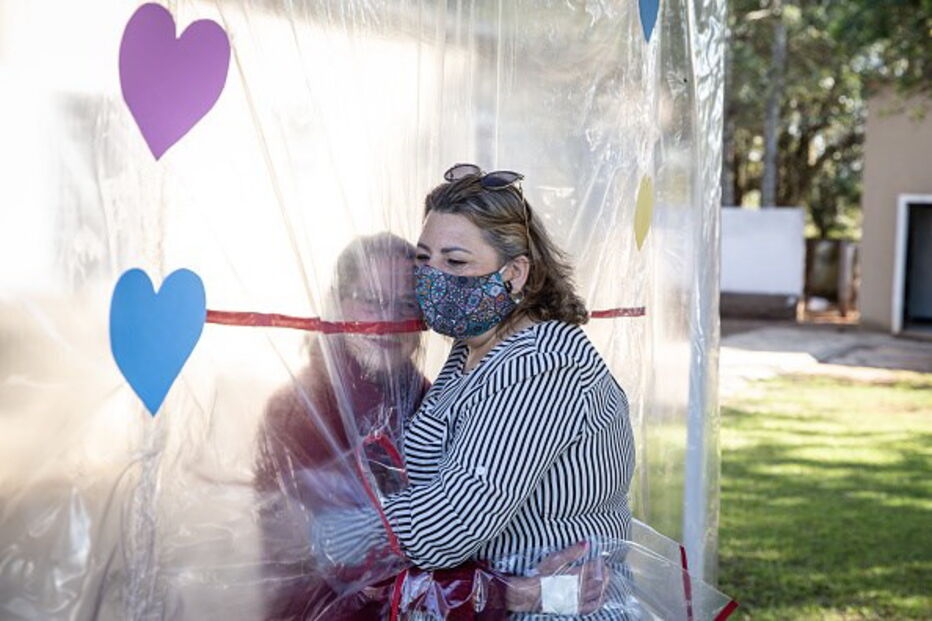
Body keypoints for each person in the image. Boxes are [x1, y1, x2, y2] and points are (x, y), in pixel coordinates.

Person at [377, 164, 636, 618]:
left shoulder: (543, 364)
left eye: (455, 261)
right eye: (423, 258)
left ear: (514, 273)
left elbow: (448, 525)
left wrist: (337, 531)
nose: (432, 276)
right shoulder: (470, 352)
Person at [254, 232, 429, 620]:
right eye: (372, 301)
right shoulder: (297, 410)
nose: (390, 321)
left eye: (406, 304)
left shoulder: (431, 403)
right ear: (337, 303)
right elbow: (310, 547)